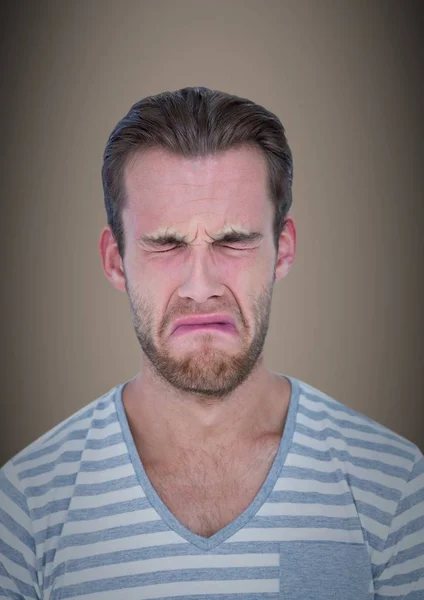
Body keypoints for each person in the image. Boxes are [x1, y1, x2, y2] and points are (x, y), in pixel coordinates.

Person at [1, 87, 423, 600]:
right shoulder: (25, 506)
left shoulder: (394, 488)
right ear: (115, 261)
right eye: (165, 244)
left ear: (282, 249)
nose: (201, 286)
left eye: (233, 240)